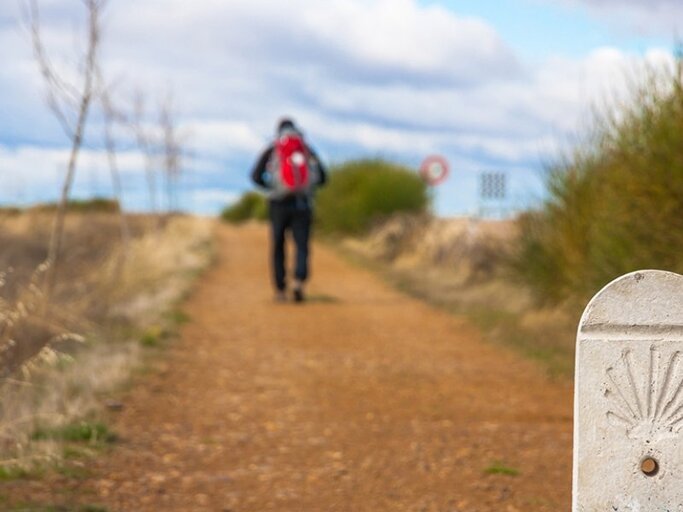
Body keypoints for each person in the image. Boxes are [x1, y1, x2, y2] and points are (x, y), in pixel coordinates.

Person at [251, 118, 327, 302]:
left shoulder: (273, 148)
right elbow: (323, 177)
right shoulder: (307, 149)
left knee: (278, 246)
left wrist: (272, 187)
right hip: (302, 204)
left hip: (278, 204)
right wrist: (308, 190)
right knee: (302, 245)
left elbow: (255, 176)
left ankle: (280, 289)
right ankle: (299, 281)